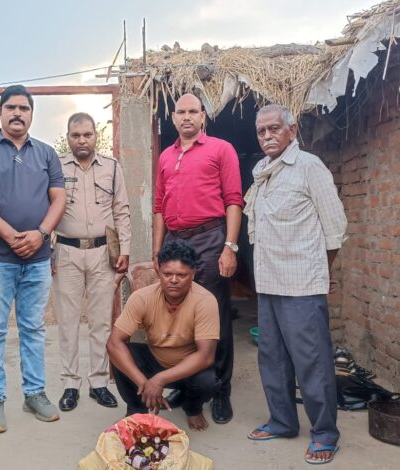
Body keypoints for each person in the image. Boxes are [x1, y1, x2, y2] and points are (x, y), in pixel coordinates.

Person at [244, 104, 347, 465]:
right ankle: (282, 421)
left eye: (274, 129)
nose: (267, 136)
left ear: (291, 130)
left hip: (302, 285)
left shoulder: (308, 167)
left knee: (312, 362)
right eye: (261, 131)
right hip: (269, 283)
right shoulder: (262, 171)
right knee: (272, 358)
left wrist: (318, 272)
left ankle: (324, 434)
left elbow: (335, 229)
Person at [0, 84, 65, 434]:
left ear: (32, 114)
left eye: (24, 108)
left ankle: (34, 393)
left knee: (33, 328)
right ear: (0, 112)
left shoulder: (47, 154)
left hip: (37, 258)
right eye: (11, 107)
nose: (18, 113)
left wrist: (40, 234)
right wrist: (10, 236)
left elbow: (59, 199)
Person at [152, 93, 242, 424]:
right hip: (175, 242)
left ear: (203, 116)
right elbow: (159, 206)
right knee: (179, 316)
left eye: (193, 111)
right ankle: (188, 385)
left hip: (210, 238)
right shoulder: (166, 156)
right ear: (173, 117)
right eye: (181, 112)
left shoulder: (221, 149)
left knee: (213, 315)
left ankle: (220, 390)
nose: (187, 117)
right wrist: (158, 250)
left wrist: (229, 247)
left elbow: (234, 200)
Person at [53, 113, 130, 411]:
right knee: (68, 322)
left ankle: (98, 383)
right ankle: (70, 384)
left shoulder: (112, 167)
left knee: (101, 322)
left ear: (96, 135)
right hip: (66, 252)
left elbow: (121, 210)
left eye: (87, 134)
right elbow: (45, 207)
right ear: (68, 137)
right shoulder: (55, 166)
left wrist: (124, 250)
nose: (82, 140)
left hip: (102, 253)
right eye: (76, 135)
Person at [107, 240, 219, 431]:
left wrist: (159, 380)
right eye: (167, 274)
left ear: (193, 273)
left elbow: (205, 356)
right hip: (155, 359)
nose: (173, 280)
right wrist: (144, 383)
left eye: (181, 275)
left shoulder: (205, 301)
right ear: (159, 271)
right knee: (120, 353)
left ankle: (193, 408)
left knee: (207, 381)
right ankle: (137, 410)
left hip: (187, 368)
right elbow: (114, 343)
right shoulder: (142, 297)